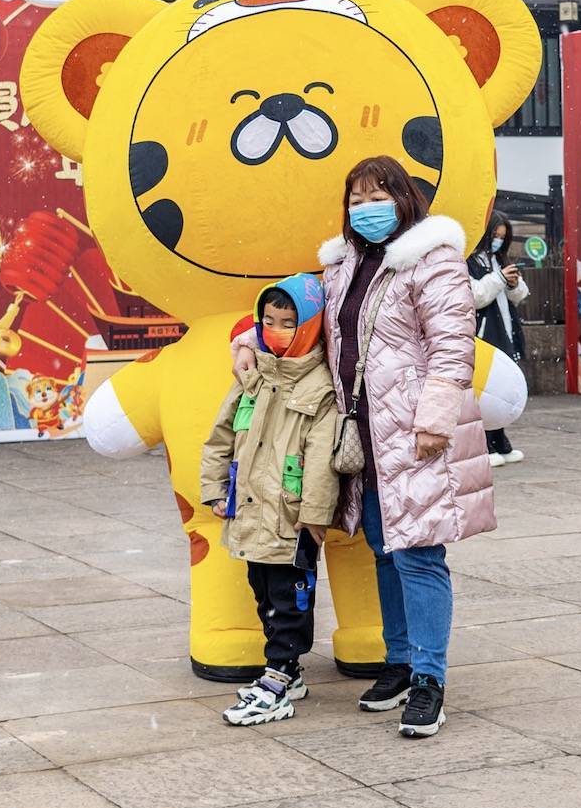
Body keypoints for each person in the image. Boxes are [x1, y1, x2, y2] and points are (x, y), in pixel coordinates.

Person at [314, 155, 494, 737]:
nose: (366, 209)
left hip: (414, 433)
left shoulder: (432, 262)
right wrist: (247, 337)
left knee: (418, 555)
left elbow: (452, 345)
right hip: (362, 434)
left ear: (404, 198)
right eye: (356, 199)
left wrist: (435, 420)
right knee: (384, 550)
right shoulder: (343, 265)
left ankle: (428, 679)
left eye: (378, 195)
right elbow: (303, 310)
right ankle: (398, 661)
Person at [200, 274, 340, 726]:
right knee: (262, 594)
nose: (277, 330)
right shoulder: (252, 374)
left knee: (290, 600)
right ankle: (288, 670)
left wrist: (314, 516)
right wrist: (214, 490)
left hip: (291, 518)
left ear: (311, 325)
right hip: (249, 513)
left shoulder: (321, 387)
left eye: (288, 322)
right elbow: (221, 437)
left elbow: (321, 459)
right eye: (269, 321)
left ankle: (278, 676)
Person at [469, 212, 528, 466]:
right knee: (486, 395)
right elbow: (476, 296)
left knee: (500, 394)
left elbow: (520, 296)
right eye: (495, 235)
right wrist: (500, 279)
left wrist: (513, 284)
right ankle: (486, 445)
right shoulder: (468, 261)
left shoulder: (498, 260)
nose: (497, 241)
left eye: (502, 237)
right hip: (484, 335)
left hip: (505, 331)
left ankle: (500, 443)